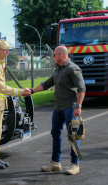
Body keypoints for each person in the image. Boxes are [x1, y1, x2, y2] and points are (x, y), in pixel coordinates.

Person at [31, 46, 86, 175]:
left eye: (54, 55)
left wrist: (78, 106)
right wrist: (31, 91)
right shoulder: (58, 70)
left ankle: (75, 164)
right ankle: (55, 163)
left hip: (70, 108)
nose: (53, 58)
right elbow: (46, 84)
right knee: (55, 133)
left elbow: (81, 88)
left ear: (61, 55)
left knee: (73, 135)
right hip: (58, 108)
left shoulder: (73, 68)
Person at [0, 39, 31, 169]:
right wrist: (21, 92)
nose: (7, 52)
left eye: (8, 50)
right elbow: (2, 88)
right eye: (5, 50)